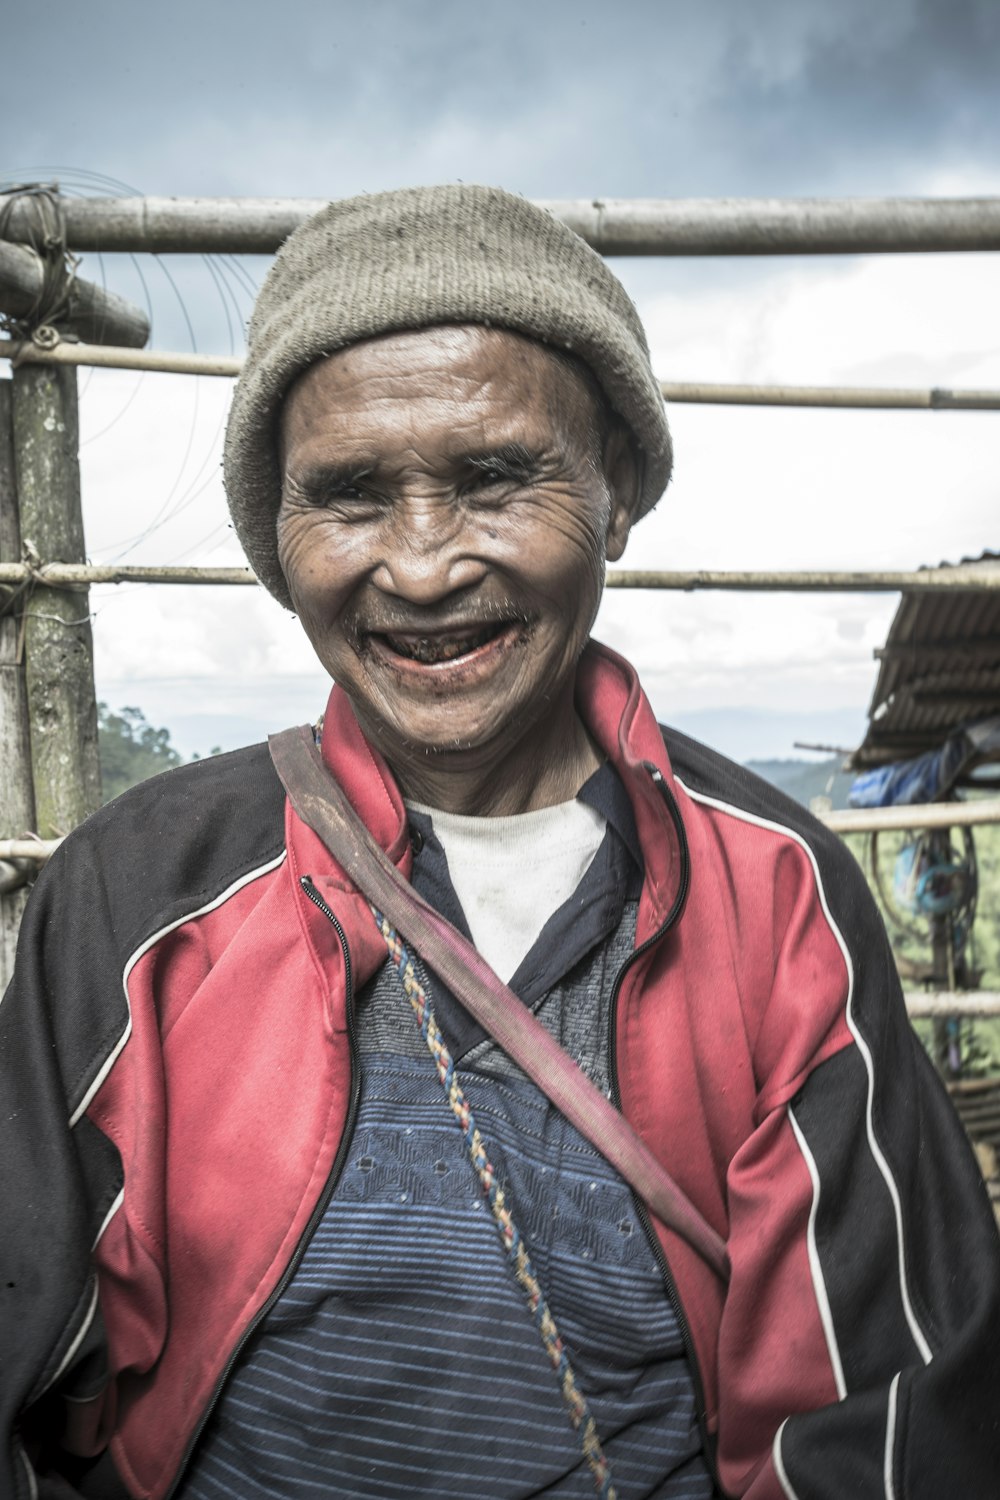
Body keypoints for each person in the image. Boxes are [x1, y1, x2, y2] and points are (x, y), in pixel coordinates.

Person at [2, 184, 998, 1500]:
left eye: (493, 479)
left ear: (619, 494)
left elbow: (880, 1424)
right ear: (274, 540)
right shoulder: (136, 897)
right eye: (349, 499)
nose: (419, 567)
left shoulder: (775, 895)